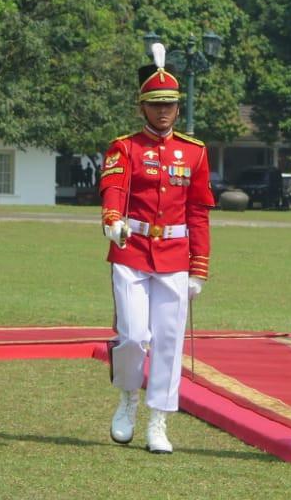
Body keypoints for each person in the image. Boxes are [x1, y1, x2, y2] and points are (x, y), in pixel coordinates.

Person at [102, 43, 215, 454]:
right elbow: (113, 189)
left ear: (178, 108)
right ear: (142, 107)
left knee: (168, 340)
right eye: (155, 104)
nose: (163, 112)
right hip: (131, 251)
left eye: (169, 104)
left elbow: (199, 211)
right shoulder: (125, 148)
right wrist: (112, 221)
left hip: (175, 256)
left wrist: (199, 267)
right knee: (133, 335)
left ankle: (159, 421)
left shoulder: (195, 151)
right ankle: (128, 398)